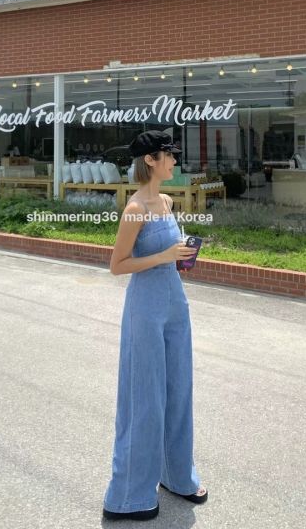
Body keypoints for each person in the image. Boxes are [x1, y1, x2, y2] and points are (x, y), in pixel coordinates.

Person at [102, 129, 208, 521]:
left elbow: (166, 253)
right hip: (145, 308)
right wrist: (163, 255)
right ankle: (129, 495)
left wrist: (181, 256)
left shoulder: (165, 201)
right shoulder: (135, 209)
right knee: (145, 398)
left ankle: (177, 476)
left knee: (179, 391)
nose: (175, 161)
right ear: (151, 160)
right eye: (170, 155)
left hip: (175, 303)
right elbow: (117, 266)